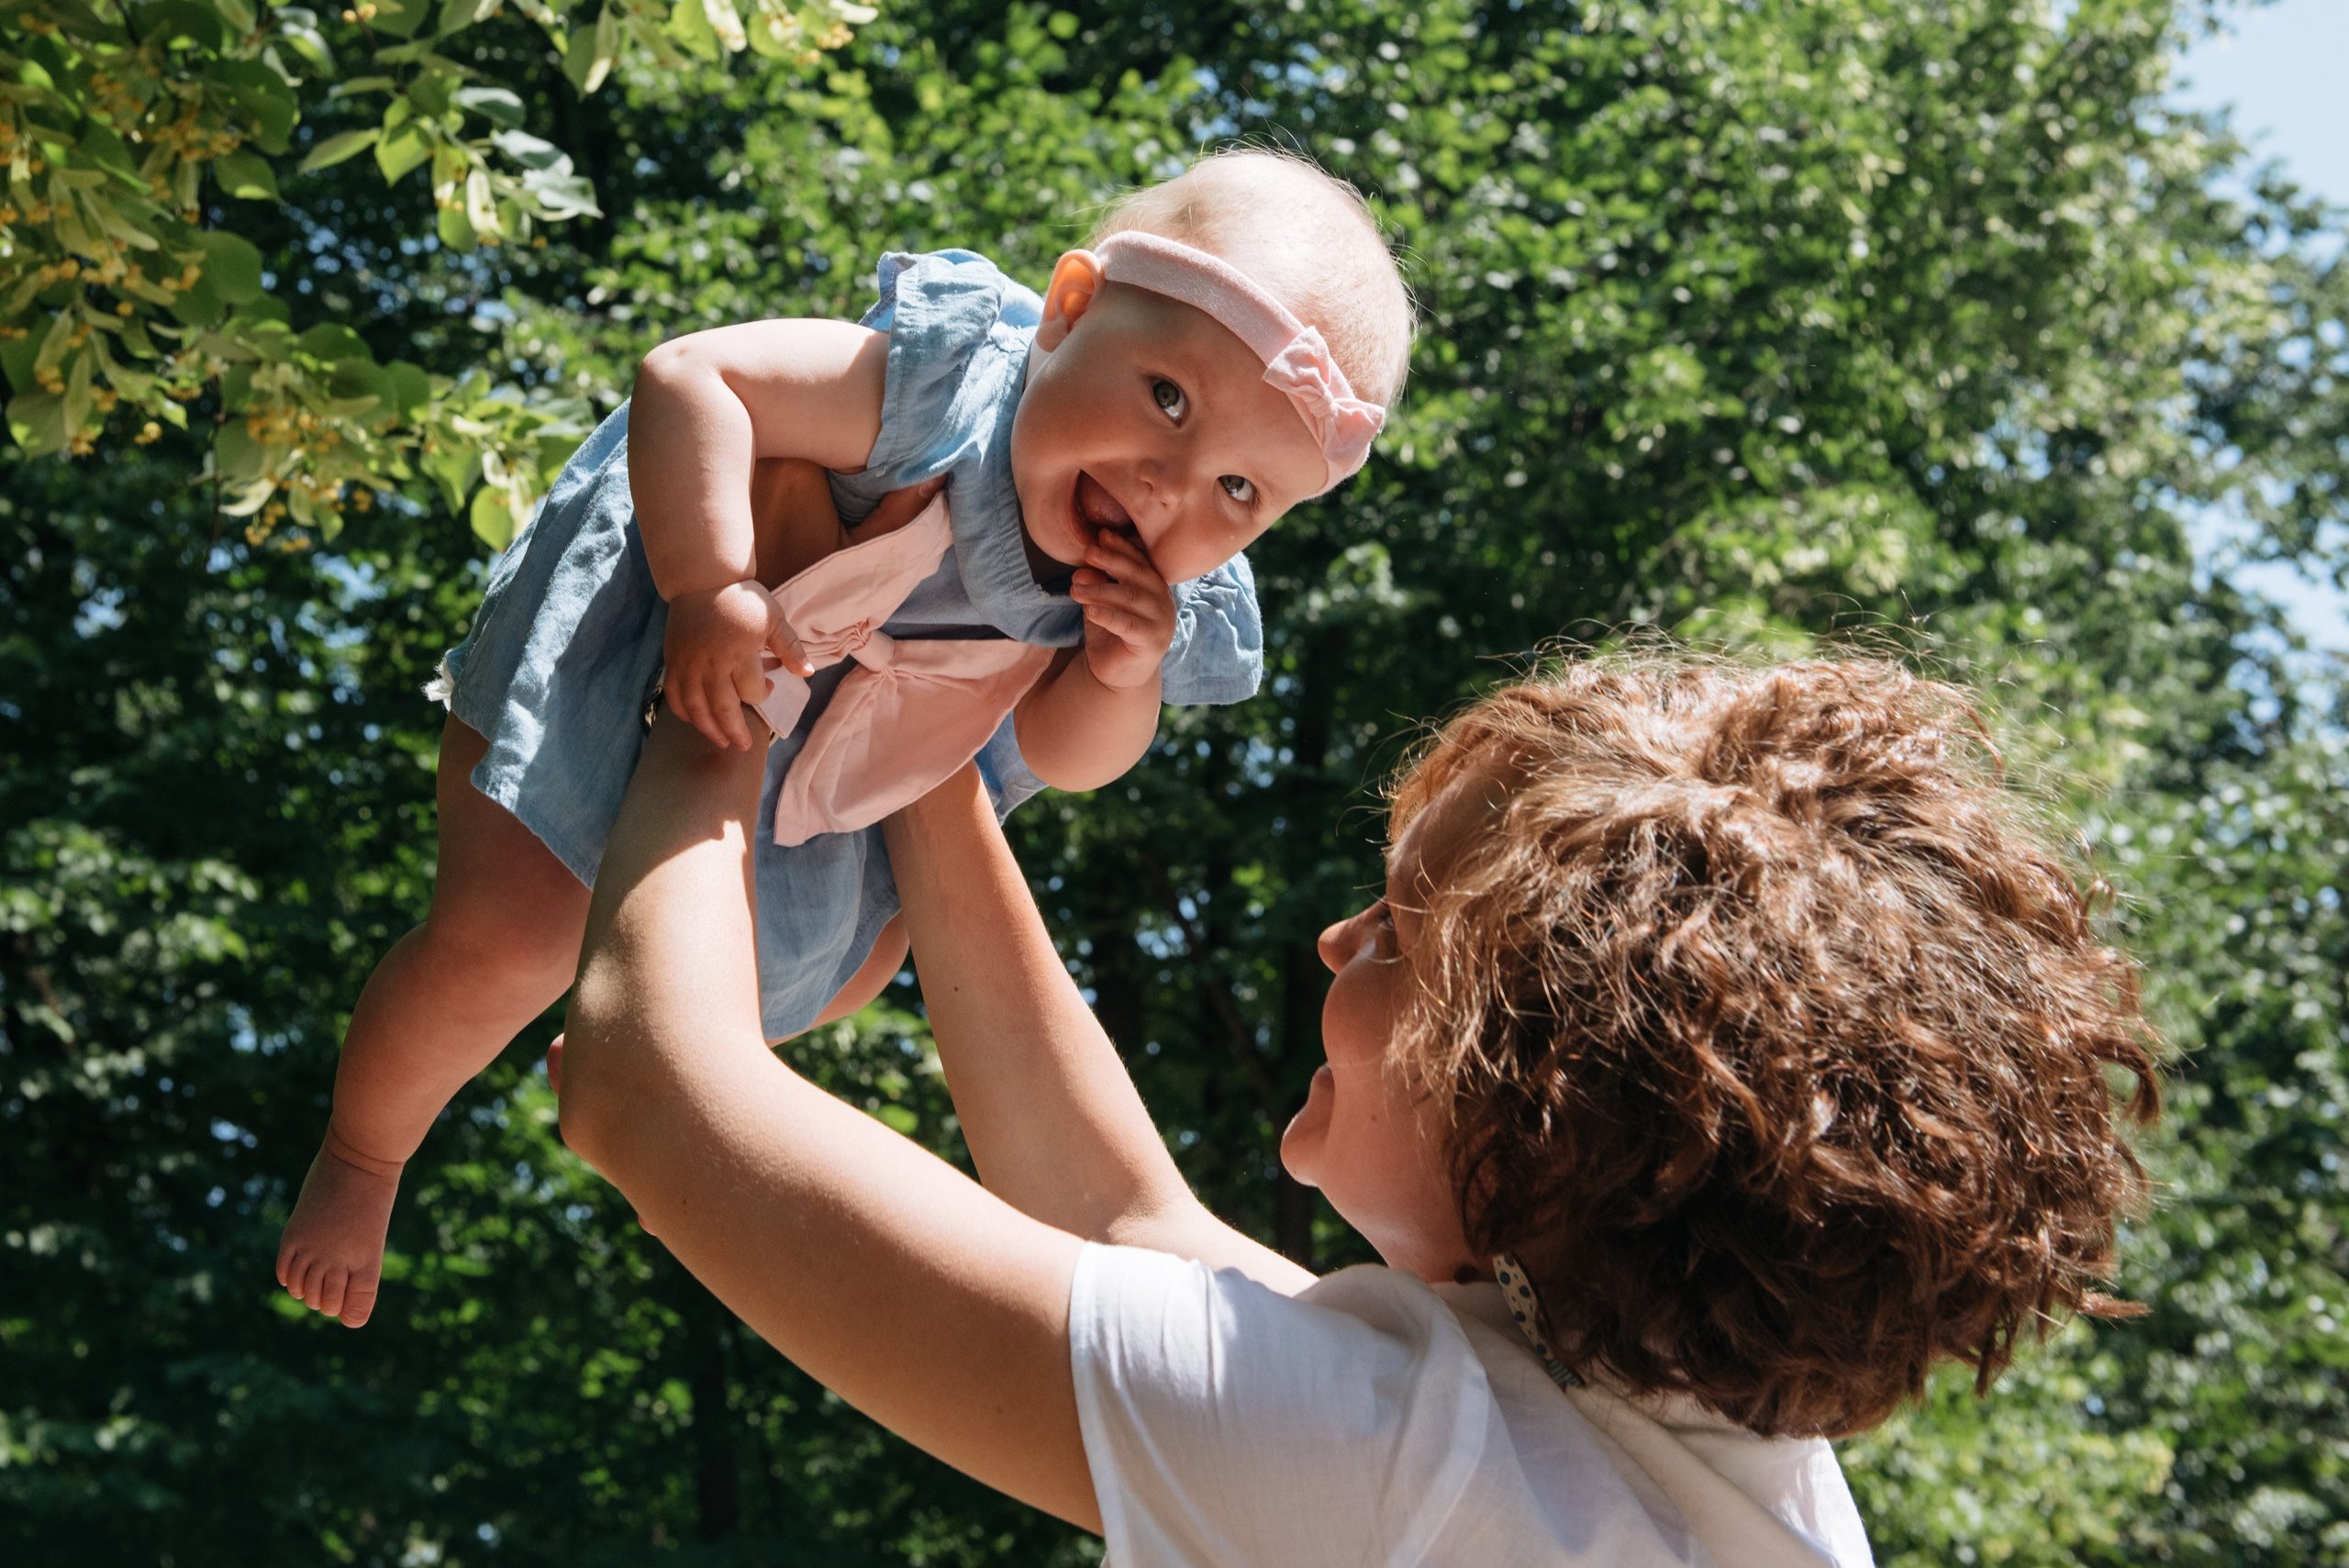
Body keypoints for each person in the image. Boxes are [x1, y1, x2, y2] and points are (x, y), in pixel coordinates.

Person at [552, 653, 2160, 1565]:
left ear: (1526, 1107)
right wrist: (922, 730)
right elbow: (1126, 1222)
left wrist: (728, 680)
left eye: (1394, 932)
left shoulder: (1396, 1464)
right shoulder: (1709, 1455)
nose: (1333, 939)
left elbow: (650, 1086)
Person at [276, 149, 1416, 1327]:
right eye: (1167, 399)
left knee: (860, 963)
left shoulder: (1147, 592)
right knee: (506, 938)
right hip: (655, 641)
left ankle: (635, 1037)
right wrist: (709, 582)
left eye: (1239, 490)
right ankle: (364, 1153)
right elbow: (695, 380)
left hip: (840, 751)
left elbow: (1066, 754)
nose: (1172, 484)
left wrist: (1120, 674)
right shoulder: (941, 387)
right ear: (1070, 312)